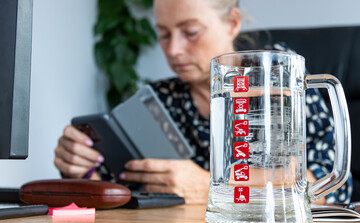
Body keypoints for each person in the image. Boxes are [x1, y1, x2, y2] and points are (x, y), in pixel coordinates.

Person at [54, 0, 352, 205]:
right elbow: (115, 186)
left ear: (233, 23)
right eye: (163, 35)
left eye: (190, 32)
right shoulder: (158, 101)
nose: (174, 50)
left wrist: (214, 186)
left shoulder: (275, 76)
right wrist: (80, 168)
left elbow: (326, 184)